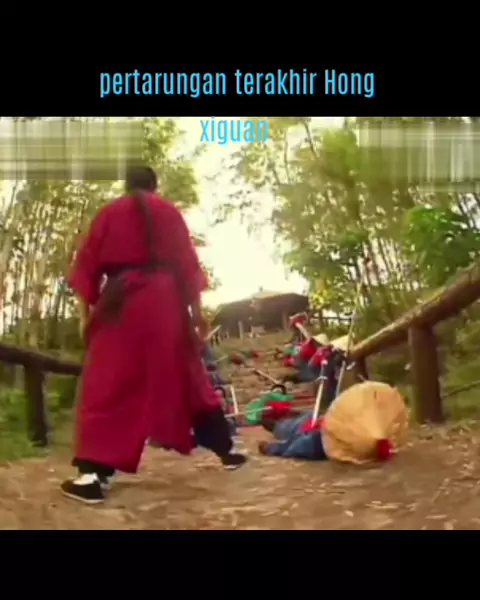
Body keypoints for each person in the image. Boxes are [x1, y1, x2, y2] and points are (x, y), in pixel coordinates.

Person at [62, 165, 246, 505]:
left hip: (121, 302)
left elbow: (87, 267)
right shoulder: (169, 212)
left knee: (107, 384)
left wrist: (85, 317)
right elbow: (188, 266)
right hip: (167, 302)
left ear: (127, 185)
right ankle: (228, 449)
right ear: (154, 185)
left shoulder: (108, 213)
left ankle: (92, 476)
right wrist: (196, 315)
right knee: (188, 376)